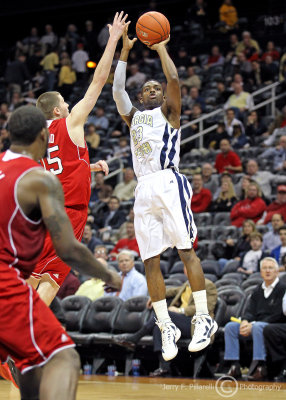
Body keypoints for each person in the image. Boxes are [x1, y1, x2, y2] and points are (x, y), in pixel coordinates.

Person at [0, 105, 121, 399]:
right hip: (7, 282)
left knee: (30, 360)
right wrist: (108, 275)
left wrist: (87, 168)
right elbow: (68, 248)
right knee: (64, 356)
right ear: (43, 136)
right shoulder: (39, 179)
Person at [111, 26, 217, 362]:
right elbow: (116, 91)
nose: (155, 90)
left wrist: (160, 48)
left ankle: (203, 317)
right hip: (143, 189)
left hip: (169, 183)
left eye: (157, 88)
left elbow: (174, 80)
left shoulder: (170, 113)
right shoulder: (135, 118)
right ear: (141, 98)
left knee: (186, 252)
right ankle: (165, 325)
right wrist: (125, 51)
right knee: (150, 260)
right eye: (148, 89)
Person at [27, 12, 129, 307]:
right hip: (69, 214)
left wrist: (88, 165)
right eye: (65, 103)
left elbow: (53, 166)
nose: (69, 106)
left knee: (34, 279)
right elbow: (98, 82)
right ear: (57, 111)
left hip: (43, 214)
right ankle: (24, 345)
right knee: (51, 281)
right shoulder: (70, 124)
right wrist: (112, 40)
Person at [113, 273, 217, 377]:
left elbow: (206, 308)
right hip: (183, 322)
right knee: (158, 327)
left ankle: (136, 337)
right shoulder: (187, 284)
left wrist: (180, 310)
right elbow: (171, 291)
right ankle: (164, 368)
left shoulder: (208, 285)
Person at [221, 257, 286, 381]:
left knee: (257, 327)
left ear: (277, 272)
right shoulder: (257, 290)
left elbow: (279, 314)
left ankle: (260, 366)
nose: (267, 271)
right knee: (230, 327)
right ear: (260, 272)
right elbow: (250, 311)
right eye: (264, 268)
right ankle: (234, 366)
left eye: (270, 268)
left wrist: (253, 324)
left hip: (271, 325)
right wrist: (245, 321)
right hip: (254, 325)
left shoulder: (282, 288)